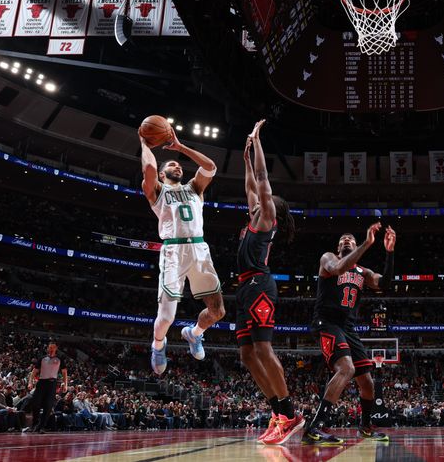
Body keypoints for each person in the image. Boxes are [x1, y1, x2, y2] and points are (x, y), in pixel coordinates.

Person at [236, 119, 304, 445]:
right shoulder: (254, 214)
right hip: (244, 287)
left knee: (263, 348)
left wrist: (257, 140)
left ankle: (290, 414)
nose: (263, 197)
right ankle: (277, 412)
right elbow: (251, 184)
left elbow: (262, 181)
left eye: (268, 197)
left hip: (260, 285)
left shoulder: (267, 217)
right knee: (247, 355)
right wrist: (246, 158)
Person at [139, 126, 225, 375]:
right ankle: (157, 345)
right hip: (173, 252)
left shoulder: (194, 188)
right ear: (164, 173)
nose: (178, 167)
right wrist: (144, 144)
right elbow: (149, 170)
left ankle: (194, 333)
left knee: (218, 311)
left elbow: (210, 167)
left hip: (199, 248)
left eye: (179, 165)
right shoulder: (157, 191)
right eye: (173, 165)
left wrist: (181, 148)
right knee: (166, 318)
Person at [302, 222, 396, 445]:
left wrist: (389, 253)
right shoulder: (329, 258)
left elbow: (385, 283)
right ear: (338, 248)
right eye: (343, 240)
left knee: (367, 383)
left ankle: (365, 427)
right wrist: (366, 243)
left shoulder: (364, 272)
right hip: (327, 322)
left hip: (348, 327)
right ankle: (313, 428)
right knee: (347, 368)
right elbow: (338, 269)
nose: (346, 241)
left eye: (350, 240)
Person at [25, 341, 68, 433]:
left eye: (53, 347)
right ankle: (34, 424)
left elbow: (64, 372)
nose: (51, 349)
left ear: (56, 348)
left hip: (52, 384)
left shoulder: (60, 359)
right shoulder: (42, 358)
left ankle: (41, 427)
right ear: (48, 348)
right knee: (35, 403)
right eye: (50, 347)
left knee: (48, 406)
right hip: (41, 382)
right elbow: (34, 371)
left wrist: (65, 384)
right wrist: (30, 382)